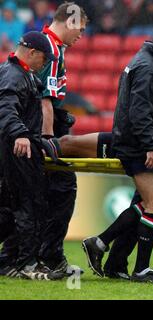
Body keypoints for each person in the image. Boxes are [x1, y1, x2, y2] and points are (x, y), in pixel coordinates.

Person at [81, 22, 153, 284]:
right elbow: (139, 111)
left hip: (137, 143)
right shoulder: (149, 68)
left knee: (152, 204)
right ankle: (139, 268)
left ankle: (100, 242)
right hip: (140, 146)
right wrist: (151, 144)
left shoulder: (144, 63)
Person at [0, 31, 63, 280]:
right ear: (33, 53)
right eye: (44, 59)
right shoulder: (14, 75)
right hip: (17, 151)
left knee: (11, 208)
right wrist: (21, 134)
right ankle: (26, 264)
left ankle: (10, 262)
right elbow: (5, 108)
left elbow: (22, 111)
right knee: (29, 205)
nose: (44, 65)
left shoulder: (20, 73)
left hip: (20, 148)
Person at [37, 2, 88, 275]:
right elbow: (45, 101)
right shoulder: (52, 50)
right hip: (40, 132)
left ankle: (30, 256)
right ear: (69, 22)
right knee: (64, 187)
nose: (81, 35)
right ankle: (51, 256)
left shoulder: (43, 44)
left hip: (26, 129)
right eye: (79, 29)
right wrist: (48, 140)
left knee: (28, 196)